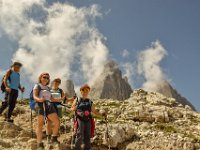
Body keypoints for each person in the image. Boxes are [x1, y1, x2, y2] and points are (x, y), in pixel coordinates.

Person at [71, 84, 106, 150]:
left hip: (88, 120)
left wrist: (102, 114)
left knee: (88, 135)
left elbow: (94, 111)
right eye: (84, 90)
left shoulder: (90, 102)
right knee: (80, 134)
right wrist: (75, 108)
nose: (85, 92)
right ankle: (77, 148)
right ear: (81, 91)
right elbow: (71, 108)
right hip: (80, 119)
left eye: (87, 91)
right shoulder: (77, 99)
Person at [33, 73, 61, 149]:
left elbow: (51, 98)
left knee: (57, 121)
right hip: (40, 105)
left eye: (47, 78)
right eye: (44, 77)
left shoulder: (48, 88)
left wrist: (59, 100)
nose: (46, 79)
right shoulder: (37, 86)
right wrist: (40, 99)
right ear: (41, 78)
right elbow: (34, 96)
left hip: (49, 105)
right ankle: (39, 143)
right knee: (40, 124)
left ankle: (54, 137)